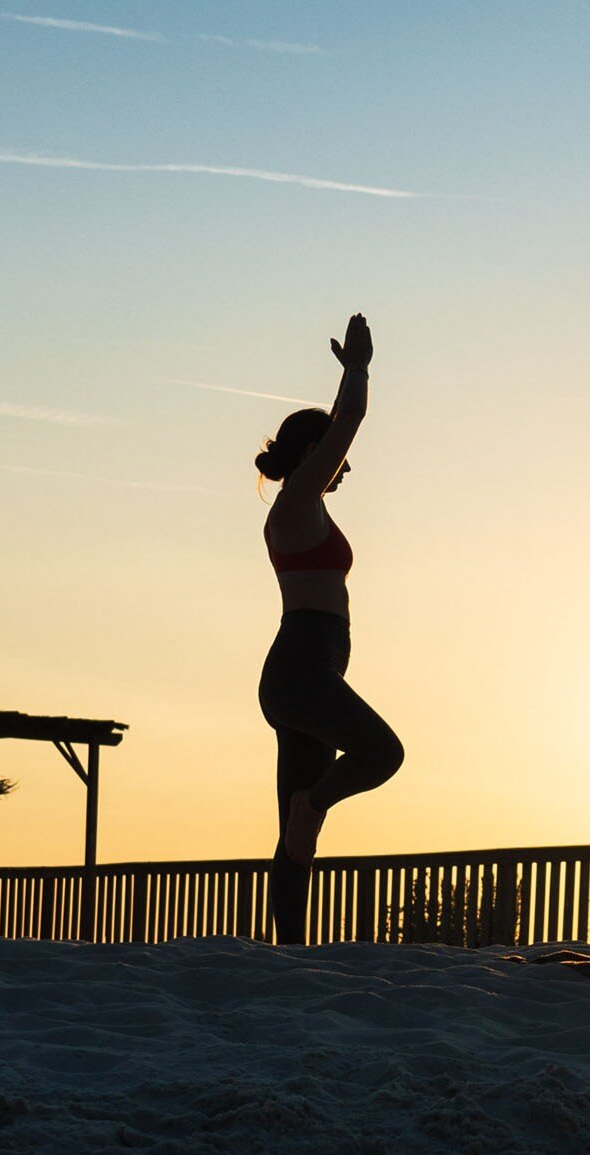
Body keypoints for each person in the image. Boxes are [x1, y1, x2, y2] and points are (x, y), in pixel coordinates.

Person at [256, 314, 403, 947]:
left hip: (309, 672)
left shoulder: (306, 508)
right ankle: (316, 802)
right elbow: (347, 425)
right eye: (333, 460)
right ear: (313, 455)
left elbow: (339, 435)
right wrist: (358, 372)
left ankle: (287, 952)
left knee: (294, 836)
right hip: (301, 670)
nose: (345, 469)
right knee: (381, 753)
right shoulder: (292, 505)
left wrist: (351, 379)